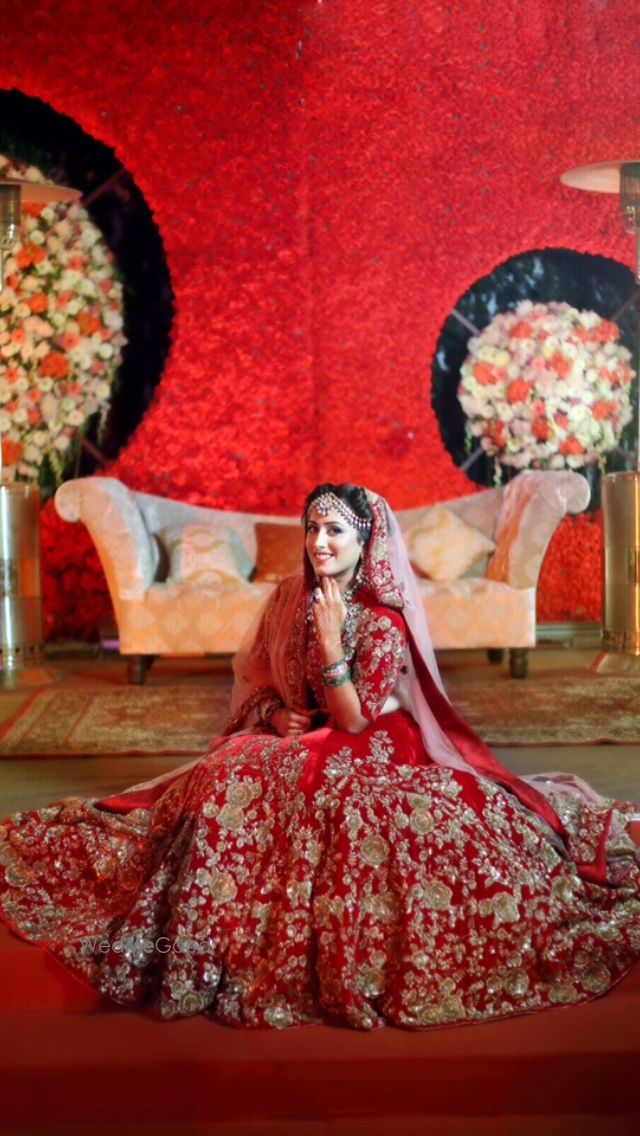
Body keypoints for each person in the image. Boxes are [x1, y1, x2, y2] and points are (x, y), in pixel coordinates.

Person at [0, 483, 639, 1031]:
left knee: (330, 803)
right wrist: (274, 715)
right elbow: (260, 678)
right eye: (312, 528)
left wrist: (332, 643)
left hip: (372, 740)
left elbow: (355, 718)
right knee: (227, 771)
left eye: (335, 530)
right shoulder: (290, 596)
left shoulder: (383, 620)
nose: (320, 542)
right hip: (304, 735)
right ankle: (203, 925)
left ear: (365, 539)